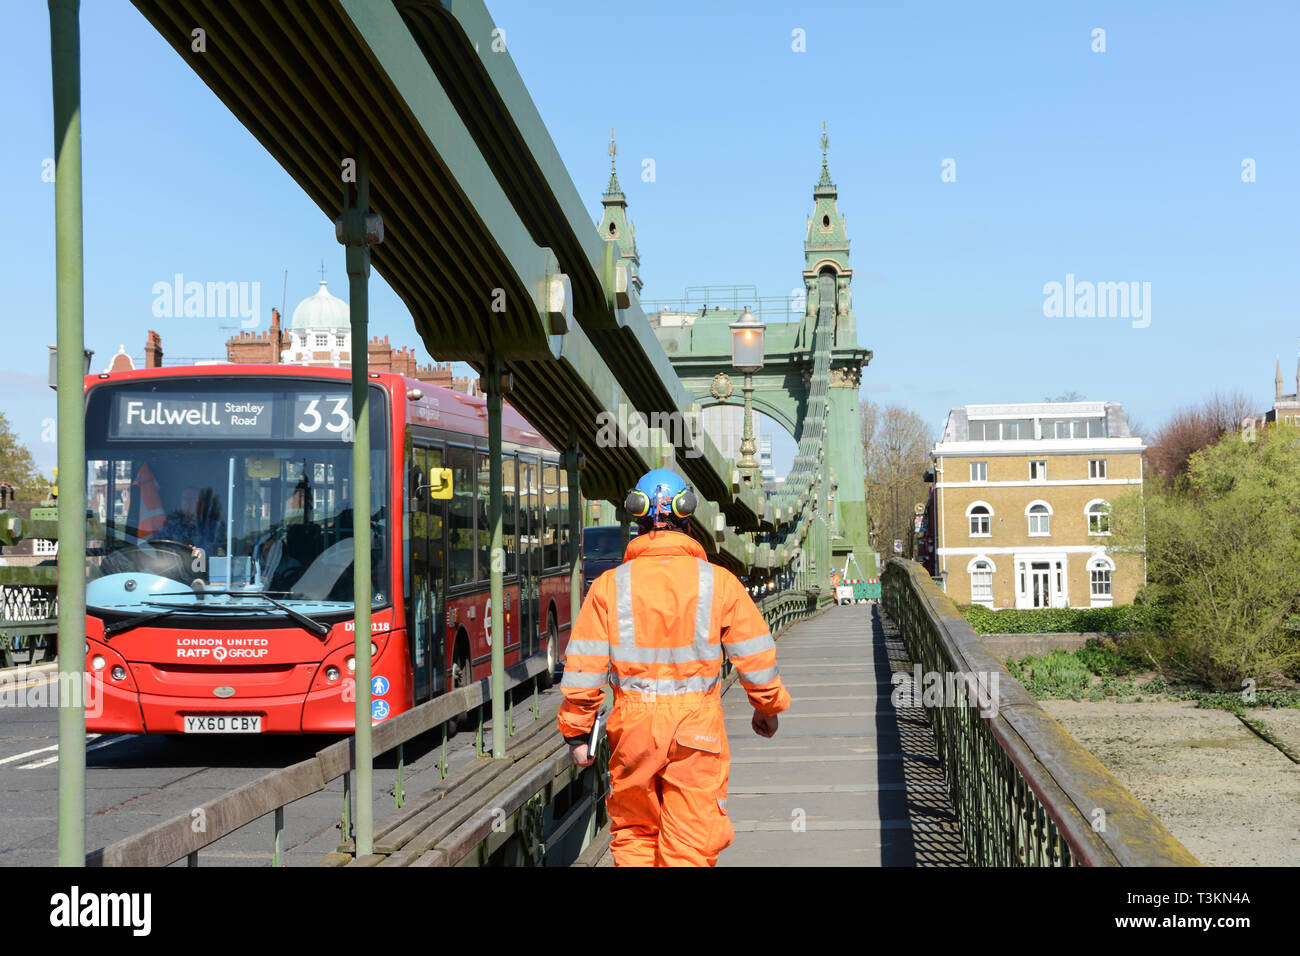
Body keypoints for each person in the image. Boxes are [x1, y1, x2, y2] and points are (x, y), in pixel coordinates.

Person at [556, 468, 791, 867]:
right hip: (697, 730)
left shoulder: (608, 587)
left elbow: (584, 669)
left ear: (637, 516)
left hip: (633, 732)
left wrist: (578, 735)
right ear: (687, 515)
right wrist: (766, 707)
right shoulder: (719, 582)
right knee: (690, 844)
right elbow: (755, 654)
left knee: (633, 836)